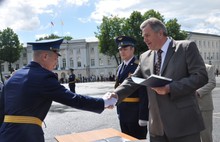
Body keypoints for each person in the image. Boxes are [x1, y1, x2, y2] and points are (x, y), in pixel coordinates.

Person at [109, 17, 208, 142]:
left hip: (183, 125)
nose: (144, 40)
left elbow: (201, 76)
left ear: (160, 33)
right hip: (157, 128)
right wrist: (115, 94)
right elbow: (132, 80)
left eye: (147, 35)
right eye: (143, 36)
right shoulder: (145, 56)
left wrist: (170, 88)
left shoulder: (185, 48)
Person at [0, 38, 117, 142]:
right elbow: (73, 99)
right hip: (27, 136)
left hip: (5, 134)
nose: (56, 64)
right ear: (45, 56)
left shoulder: (14, 76)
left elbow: (1, 109)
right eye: (55, 59)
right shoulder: (44, 77)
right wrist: (103, 102)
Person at [114, 36, 149, 139]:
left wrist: (143, 116)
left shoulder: (138, 66)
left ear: (132, 49)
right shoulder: (120, 67)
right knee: (126, 139)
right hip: (123, 112)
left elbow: (144, 92)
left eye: (125, 49)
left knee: (137, 139)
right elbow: (118, 87)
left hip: (135, 113)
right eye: (120, 49)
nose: (122, 52)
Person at [196, 64, 216, 142]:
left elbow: (212, 83)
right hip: (190, 106)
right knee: (192, 135)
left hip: (204, 106)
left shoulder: (208, 68)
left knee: (206, 134)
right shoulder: (187, 68)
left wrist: (198, 92)